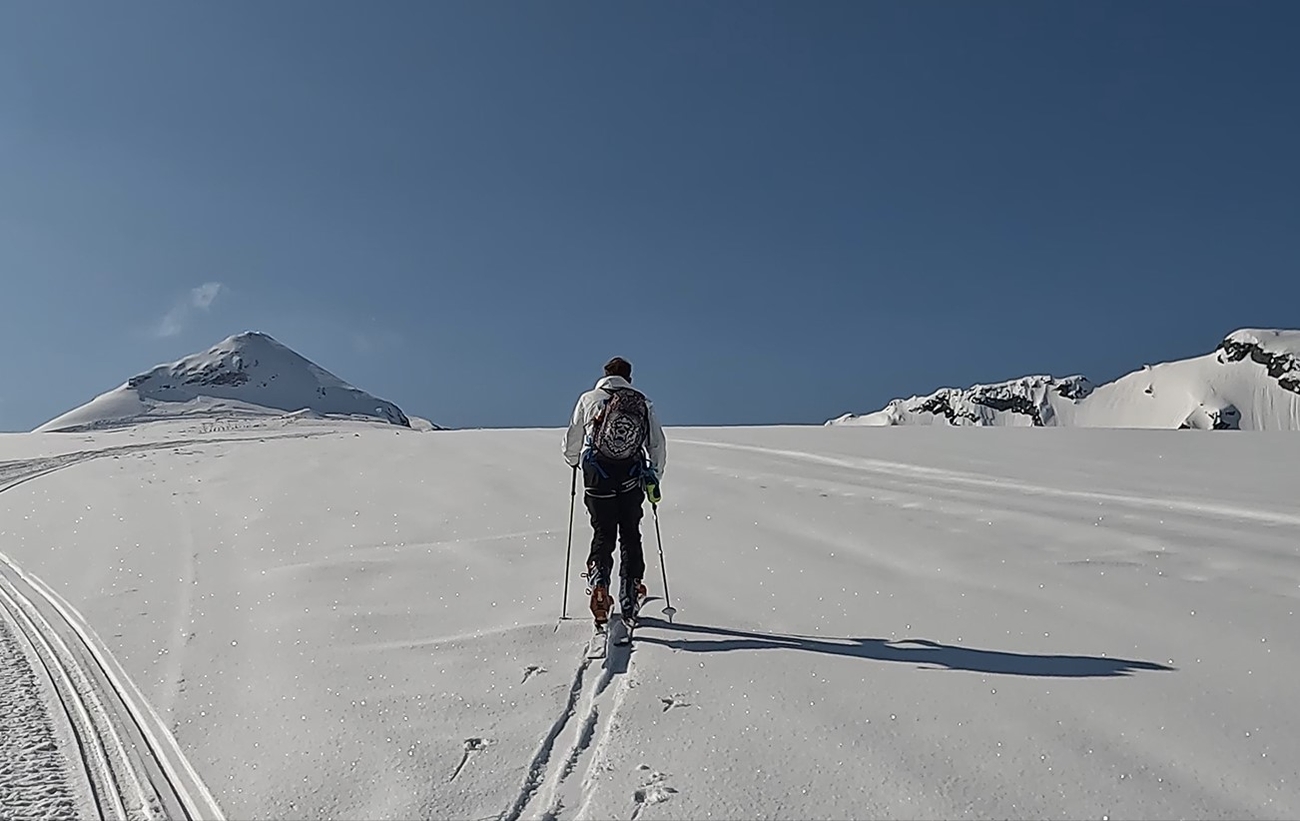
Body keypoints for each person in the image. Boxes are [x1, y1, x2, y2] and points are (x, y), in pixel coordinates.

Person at [563, 356, 667, 627]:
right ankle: (630, 595)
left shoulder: (589, 398)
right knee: (630, 533)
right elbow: (656, 444)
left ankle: (599, 584)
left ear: (604, 373)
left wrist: (573, 460)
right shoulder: (642, 402)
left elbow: (573, 437)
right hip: (630, 476)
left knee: (603, 531)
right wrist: (654, 476)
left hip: (597, 475)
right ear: (629, 378)